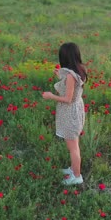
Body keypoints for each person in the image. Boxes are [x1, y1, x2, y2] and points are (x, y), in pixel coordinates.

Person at [42, 42, 87, 185]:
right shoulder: (80, 70)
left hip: (70, 112)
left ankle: (77, 176)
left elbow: (67, 99)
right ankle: (73, 168)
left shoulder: (70, 76)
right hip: (76, 109)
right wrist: (60, 75)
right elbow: (71, 89)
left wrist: (50, 96)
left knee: (73, 148)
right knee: (74, 143)